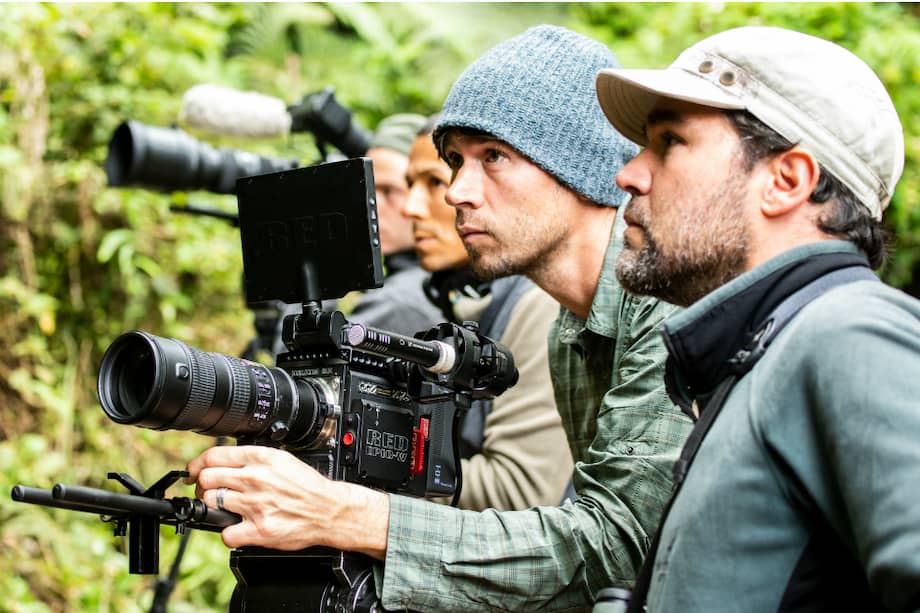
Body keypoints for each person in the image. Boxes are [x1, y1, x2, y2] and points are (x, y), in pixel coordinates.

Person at [186, 25, 692, 611]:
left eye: (493, 157)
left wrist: (344, 513)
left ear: (577, 164)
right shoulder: (572, 328)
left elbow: (618, 550)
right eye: (456, 160)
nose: (456, 191)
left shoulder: (663, 306)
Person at [594, 25, 920, 611]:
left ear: (786, 181)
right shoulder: (763, 355)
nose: (630, 174)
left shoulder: (850, 332)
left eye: (669, 143)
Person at [402, 113, 574, 511]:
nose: (413, 207)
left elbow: (520, 494)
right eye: (454, 165)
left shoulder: (541, 302)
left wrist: (369, 456)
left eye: (433, 181)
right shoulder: (465, 304)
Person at [270, 113, 443, 356]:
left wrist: (315, 260)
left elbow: (299, 367)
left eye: (389, 191)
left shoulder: (403, 303)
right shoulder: (431, 285)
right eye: (367, 189)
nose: (371, 205)